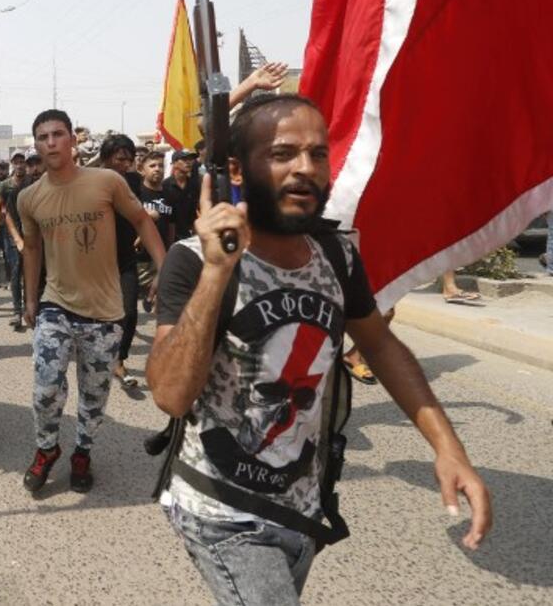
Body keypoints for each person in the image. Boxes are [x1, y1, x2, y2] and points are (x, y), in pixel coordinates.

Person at [147, 94, 491, 604]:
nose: (306, 168)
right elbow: (171, 395)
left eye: (318, 153)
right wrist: (218, 272)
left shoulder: (336, 253)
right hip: (222, 509)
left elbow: (380, 345)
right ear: (238, 169)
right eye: (283, 153)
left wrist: (448, 448)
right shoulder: (194, 260)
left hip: (304, 507)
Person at [18, 110, 166, 494]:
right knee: (45, 388)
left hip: (104, 311)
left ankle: (82, 451)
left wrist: (165, 269)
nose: (50, 142)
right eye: (42, 137)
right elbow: (32, 249)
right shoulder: (29, 198)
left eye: (57, 134)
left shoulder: (107, 181)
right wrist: (31, 300)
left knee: (94, 394)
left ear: (72, 140)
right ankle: (47, 448)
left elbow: (142, 220)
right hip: (55, 304)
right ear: (36, 145)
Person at [99, 135, 147, 389]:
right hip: (96, 260)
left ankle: (120, 359)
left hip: (126, 258)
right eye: (120, 159)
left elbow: (140, 213)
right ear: (107, 159)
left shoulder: (134, 181)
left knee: (129, 311)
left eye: (129, 159)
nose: (126, 164)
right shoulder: (91, 181)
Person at [0, 152, 30, 330]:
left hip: (32, 233)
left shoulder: (33, 182)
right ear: (12, 164)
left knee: (30, 274)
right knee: (15, 273)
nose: (20, 165)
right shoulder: (5, 185)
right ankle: (17, 312)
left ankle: (30, 309)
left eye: (23, 162)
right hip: (11, 232)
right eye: (17, 162)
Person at [137, 151, 173, 313]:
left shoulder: (170, 194)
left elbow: (172, 224)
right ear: (142, 170)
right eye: (152, 166)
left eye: (160, 166)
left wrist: (170, 249)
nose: (157, 169)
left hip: (161, 252)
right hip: (139, 255)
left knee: (164, 289)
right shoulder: (135, 193)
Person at [162, 150, 201, 243]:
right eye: (184, 159)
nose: (188, 162)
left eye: (191, 159)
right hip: (170, 236)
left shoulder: (194, 185)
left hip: (190, 236)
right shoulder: (165, 185)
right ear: (174, 163)